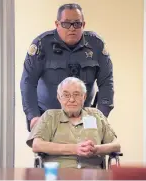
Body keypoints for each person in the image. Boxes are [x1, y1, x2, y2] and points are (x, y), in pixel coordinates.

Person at [20, 3, 114, 131]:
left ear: (83, 25)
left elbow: (106, 82)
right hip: (48, 117)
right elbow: (28, 83)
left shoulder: (96, 45)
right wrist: (33, 116)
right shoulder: (41, 45)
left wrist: (102, 115)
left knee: (88, 150)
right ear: (57, 24)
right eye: (66, 24)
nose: (72, 28)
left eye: (77, 24)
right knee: (49, 150)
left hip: (84, 118)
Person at [26, 77, 120, 169]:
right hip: (59, 175)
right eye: (66, 95)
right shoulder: (50, 116)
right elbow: (37, 145)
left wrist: (96, 149)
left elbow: (116, 145)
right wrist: (75, 149)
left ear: (84, 97)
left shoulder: (96, 115)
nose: (71, 100)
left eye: (76, 94)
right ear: (59, 98)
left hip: (92, 175)